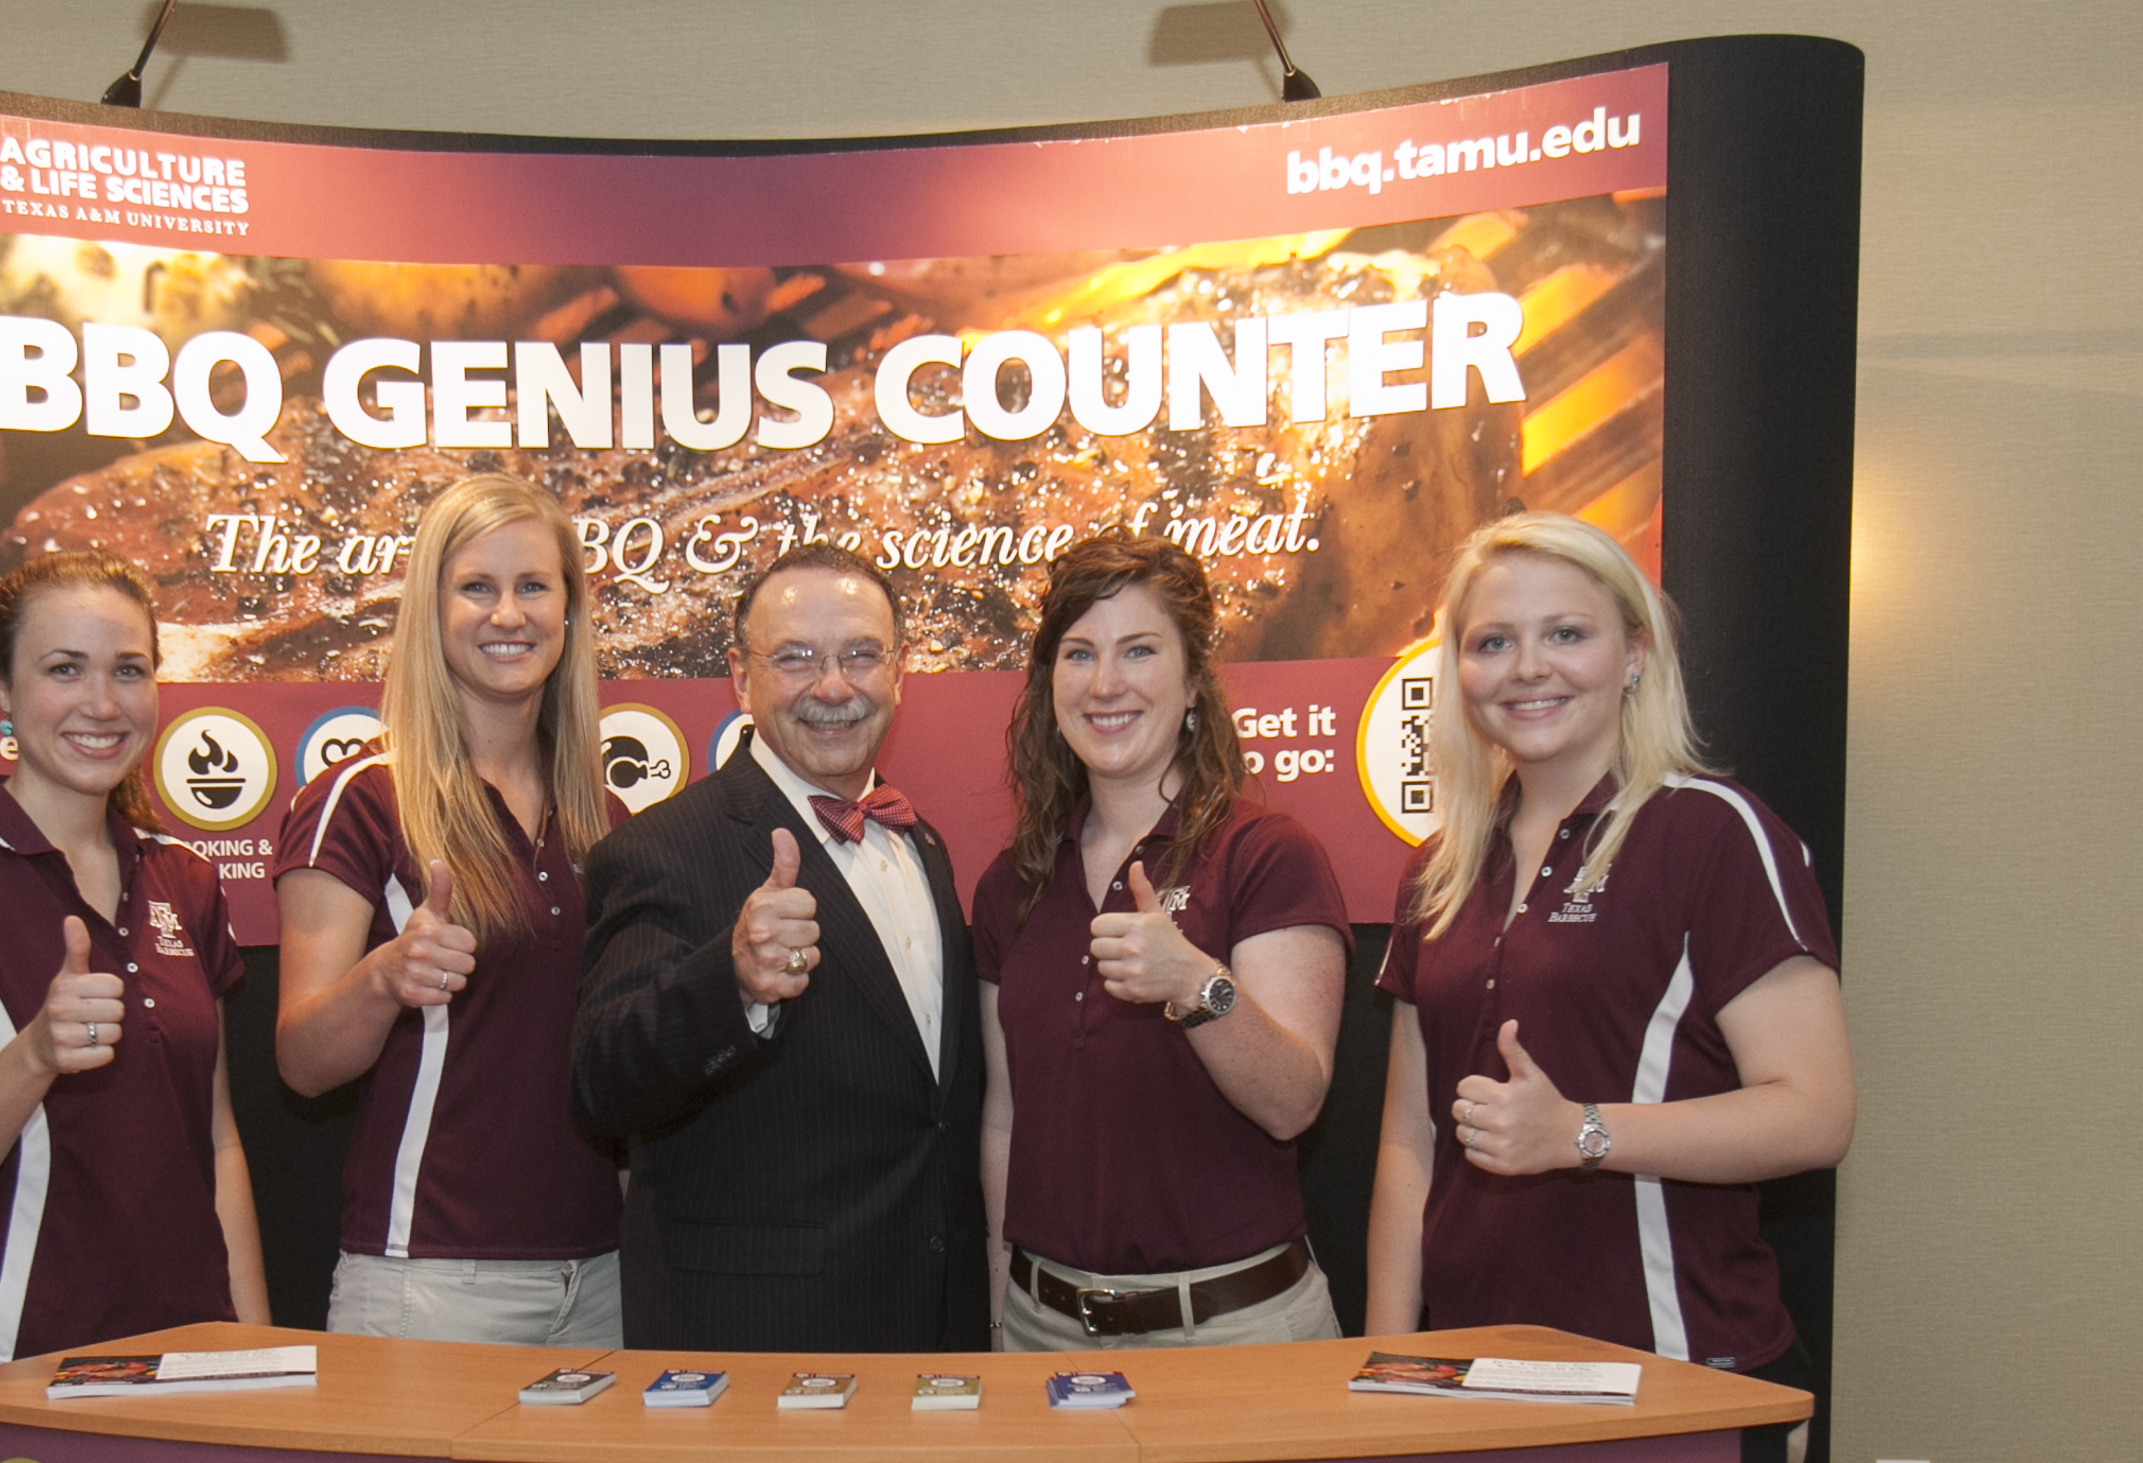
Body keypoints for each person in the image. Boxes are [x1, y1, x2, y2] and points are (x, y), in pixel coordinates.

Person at [1361, 509, 1852, 1463]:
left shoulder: (1712, 833)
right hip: (1473, 1405)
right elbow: (1406, 1145)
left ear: (1636, 650)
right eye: (1491, 640)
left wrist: (1580, 1132)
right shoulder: (1447, 865)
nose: (1528, 667)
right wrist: (1382, 1376)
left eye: (1564, 632)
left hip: (1671, 1394)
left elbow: (1815, 1108)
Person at [0, 545, 269, 1364]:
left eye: (128, 670)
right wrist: (36, 1055)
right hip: (16, 1376)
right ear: (0, 687)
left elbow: (217, 1141)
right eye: (64, 669)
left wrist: (256, 1353)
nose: (102, 703)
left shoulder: (185, 876)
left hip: (193, 1370)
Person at [573, 544, 983, 1352]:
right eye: (795, 658)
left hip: (935, 1333)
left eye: (861, 655)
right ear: (740, 676)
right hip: (759, 1341)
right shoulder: (664, 847)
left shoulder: (922, 844)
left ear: (899, 671)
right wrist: (729, 984)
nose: (832, 687)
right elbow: (600, 1082)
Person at [272, 474, 624, 1344]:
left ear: (570, 611)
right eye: (476, 586)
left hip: (602, 1278)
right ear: (430, 611)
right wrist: (384, 976)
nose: (509, 614)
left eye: (533, 585)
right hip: (430, 1281)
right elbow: (301, 1062)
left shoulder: (603, 817)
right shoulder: (364, 799)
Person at [973, 533, 1348, 1348]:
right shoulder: (1013, 881)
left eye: (1139, 650)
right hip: (1042, 1328)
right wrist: (1002, 1308)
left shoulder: (1267, 855)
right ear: (1048, 683)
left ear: (1193, 681)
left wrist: (1197, 985)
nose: (1105, 684)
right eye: (1079, 654)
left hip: (1233, 1333)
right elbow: (1006, 1119)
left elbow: (1293, 1103)